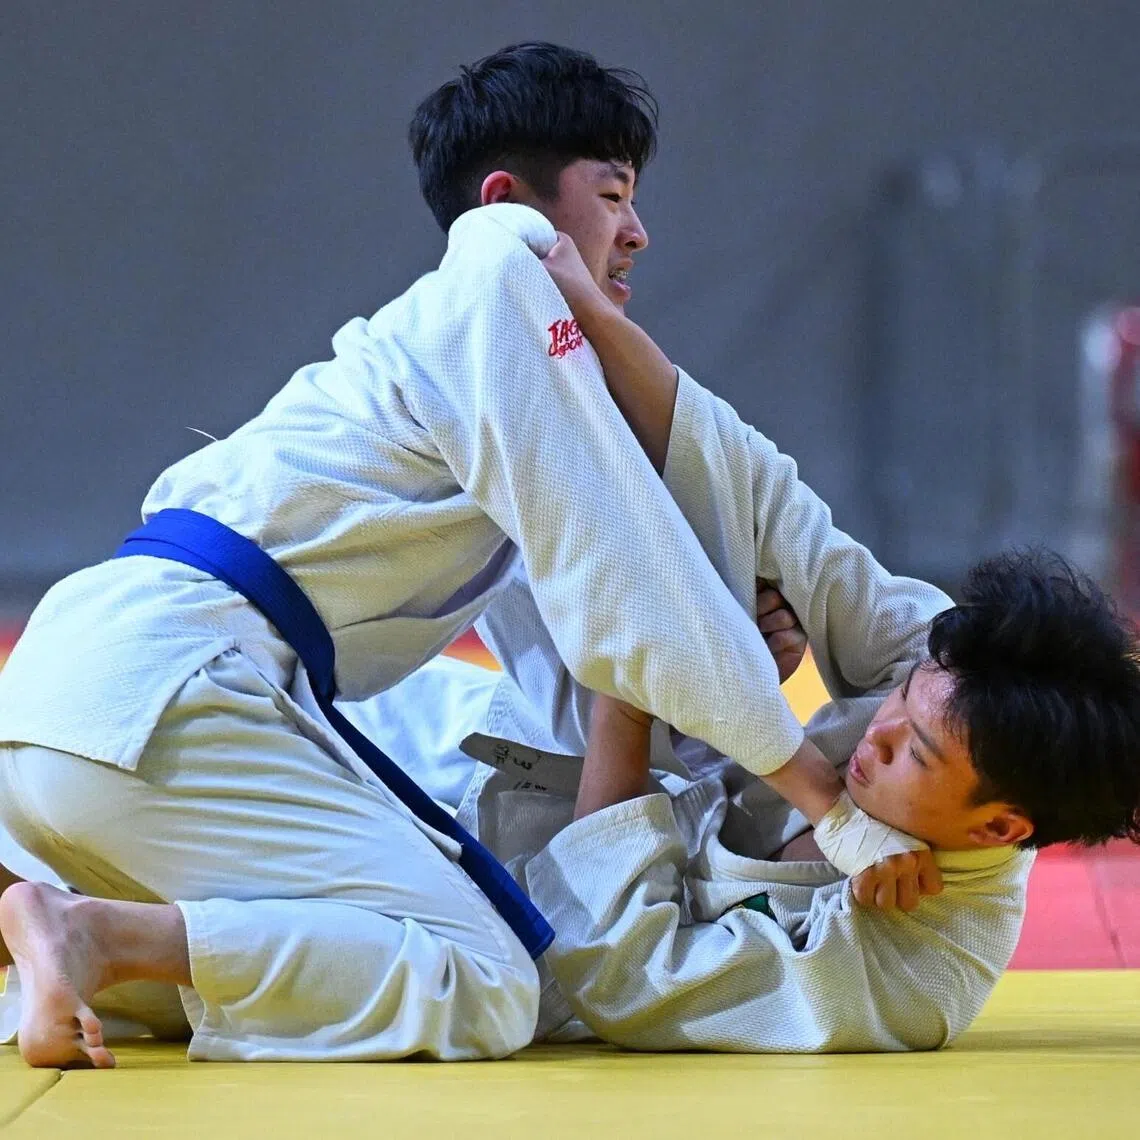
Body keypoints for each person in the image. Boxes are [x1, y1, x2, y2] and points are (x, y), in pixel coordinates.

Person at [0, 43, 929, 1070]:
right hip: (171, 696)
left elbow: (589, 646)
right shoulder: (500, 262)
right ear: (506, 200)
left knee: (324, 949)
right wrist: (827, 804)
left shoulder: (477, 373)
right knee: (488, 979)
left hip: (78, 697)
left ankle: (63, 917)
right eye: (613, 195)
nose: (637, 233)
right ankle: (92, 929)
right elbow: (631, 569)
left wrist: (739, 675)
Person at [352, 232, 1140, 1051]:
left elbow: (621, 970)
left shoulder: (911, 975)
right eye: (901, 702)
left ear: (999, 829)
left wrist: (633, 679)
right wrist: (591, 315)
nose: (880, 733)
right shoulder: (951, 672)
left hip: (479, 911)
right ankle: (490, 326)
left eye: (915, 752)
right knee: (284, 691)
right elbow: (761, 499)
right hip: (490, 733)